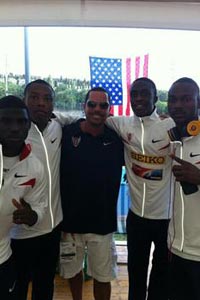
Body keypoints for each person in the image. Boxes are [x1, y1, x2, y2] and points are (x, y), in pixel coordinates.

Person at [106, 77, 173, 300]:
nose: (139, 98)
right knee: (135, 274)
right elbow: (92, 118)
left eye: (144, 93)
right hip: (136, 217)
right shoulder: (121, 124)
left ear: (156, 97)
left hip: (165, 218)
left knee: (161, 277)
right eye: (134, 94)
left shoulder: (170, 126)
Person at [10, 79, 75, 300]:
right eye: (34, 98)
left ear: (53, 105)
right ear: (24, 101)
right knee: (17, 288)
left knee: (45, 286)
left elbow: (84, 118)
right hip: (18, 233)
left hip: (52, 226)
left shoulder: (57, 125)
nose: (41, 103)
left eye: (47, 99)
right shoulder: (14, 133)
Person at [59, 87, 124, 300]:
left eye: (103, 105)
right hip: (70, 222)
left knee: (103, 277)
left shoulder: (116, 140)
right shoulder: (67, 133)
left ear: (109, 109)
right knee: (73, 271)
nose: (97, 109)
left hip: (102, 224)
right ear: (83, 107)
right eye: (92, 104)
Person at [0, 95, 47, 299]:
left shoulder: (34, 167)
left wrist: (31, 216)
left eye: (21, 122)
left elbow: (39, 207)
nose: (14, 128)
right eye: (6, 121)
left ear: (29, 126)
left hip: (2, 257)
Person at [167, 77, 200, 300]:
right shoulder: (174, 140)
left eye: (186, 99)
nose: (178, 105)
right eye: (173, 100)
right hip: (176, 249)